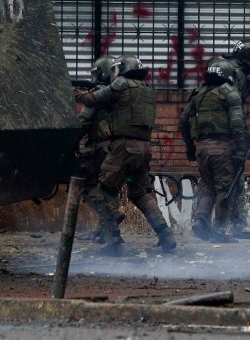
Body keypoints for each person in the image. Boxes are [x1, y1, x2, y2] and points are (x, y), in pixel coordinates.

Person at [75, 55, 177, 256]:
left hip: (123, 148)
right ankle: (167, 236)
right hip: (143, 149)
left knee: (102, 191)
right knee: (140, 193)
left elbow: (91, 101)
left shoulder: (121, 84)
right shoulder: (147, 89)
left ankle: (113, 241)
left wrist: (76, 93)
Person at [179, 59, 247, 244]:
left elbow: (183, 121)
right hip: (222, 148)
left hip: (202, 149)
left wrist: (191, 148)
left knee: (207, 186)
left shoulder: (198, 94)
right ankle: (219, 230)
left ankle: (201, 220)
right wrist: (241, 151)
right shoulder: (229, 94)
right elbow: (237, 125)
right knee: (225, 188)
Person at [212, 38, 250, 240]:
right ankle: (232, 226)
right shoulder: (236, 74)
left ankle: (227, 225)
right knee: (234, 181)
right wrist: (238, 138)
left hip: (222, 134)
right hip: (227, 136)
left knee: (224, 182)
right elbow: (230, 109)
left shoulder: (231, 71)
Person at [75, 55, 124, 244]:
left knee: (88, 188)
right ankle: (104, 231)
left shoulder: (97, 95)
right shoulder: (120, 95)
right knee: (107, 190)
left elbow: (84, 122)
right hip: (117, 149)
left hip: (98, 149)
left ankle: (111, 219)